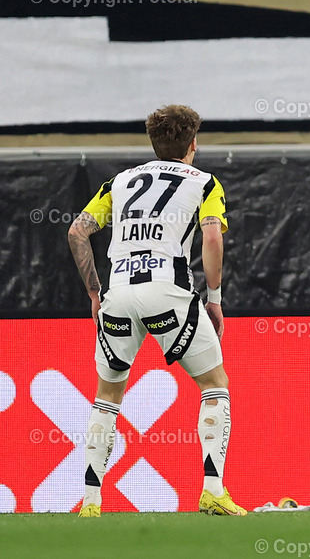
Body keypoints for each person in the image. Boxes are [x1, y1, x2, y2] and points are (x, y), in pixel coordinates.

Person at [67, 104, 246, 517]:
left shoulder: (119, 182)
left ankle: (91, 502)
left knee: (107, 396)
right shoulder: (205, 182)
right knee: (214, 385)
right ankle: (213, 491)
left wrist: (94, 292)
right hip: (168, 293)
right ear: (193, 144)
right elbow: (212, 239)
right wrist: (215, 298)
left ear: (153, 143)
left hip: (118, 294)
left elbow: (77, 232)